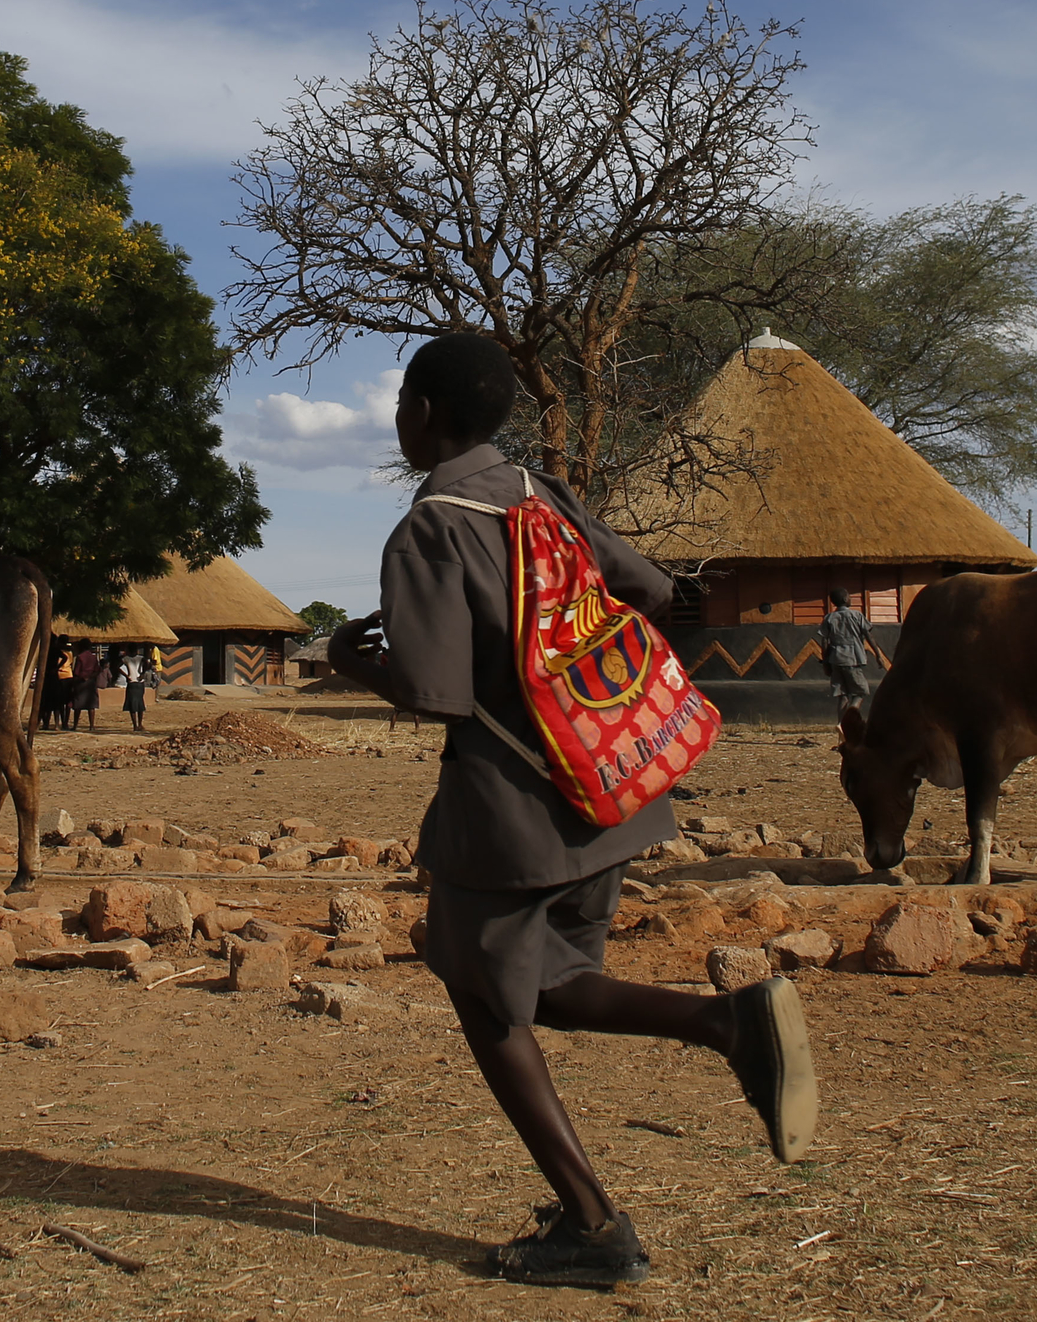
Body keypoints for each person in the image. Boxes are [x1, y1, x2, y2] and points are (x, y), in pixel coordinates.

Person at [327, 333, 816, 1291]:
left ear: (424, 414)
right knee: (546, 983)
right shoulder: (534, 490)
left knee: (483, 996)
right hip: (615, 786)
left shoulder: (430, 527)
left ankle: (598, 1222)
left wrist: (354, 665)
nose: (398, 418)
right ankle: (728, 1028)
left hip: (513, 811)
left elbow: (433, 691)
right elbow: (649, 588)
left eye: (401, 403)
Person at [817, 586, 889, 712]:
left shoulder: (829, 618)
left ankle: (841, 725)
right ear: (845, 599)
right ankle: (850, 715)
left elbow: (824, 641)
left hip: (835, 660)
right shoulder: (856, 615)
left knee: (843, 696)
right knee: (860, 692)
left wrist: (825, 663)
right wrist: (878, 655)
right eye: (849, 596)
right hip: (852, 659)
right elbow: (868, 636)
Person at [69, 639, 102, 732]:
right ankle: (91, 725)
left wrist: (75, 682)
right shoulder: (93, 657)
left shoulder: (80, 657)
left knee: (78, 705)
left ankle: (75, 726)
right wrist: (90, 676)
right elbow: (98, 670)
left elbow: (76, 672)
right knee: (91, 705)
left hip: (81, 682)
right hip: (91, 682)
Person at [118, 646, 153, 732]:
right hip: (139, 683)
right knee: (140, 704)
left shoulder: (126, 659)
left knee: (132, 705)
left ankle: (135, 725)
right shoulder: (140, 658)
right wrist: (142, 673)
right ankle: (140, 724)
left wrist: (126, 676)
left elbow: (117, 667)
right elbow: (149, 664)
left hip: (132, 682)